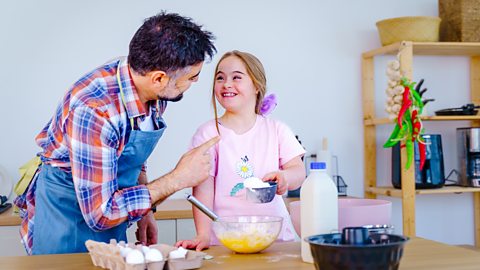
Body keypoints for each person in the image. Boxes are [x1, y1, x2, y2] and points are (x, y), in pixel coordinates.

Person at [13, 12, 219, 255]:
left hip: (111, 210)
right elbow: (101, 214)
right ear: (159, 78)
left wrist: (146, 212)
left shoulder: (149, 86)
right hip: (69, 219)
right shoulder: (94, 111)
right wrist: (178, 179)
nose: (193, 83)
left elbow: (132, 153)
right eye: (191, 77)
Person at [175, 50, 306, 251]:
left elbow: (298, 170)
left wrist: (285, 177)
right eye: (220, 77)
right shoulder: (208, 133)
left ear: (256, 86)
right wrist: (203, 235)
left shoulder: (277, 129)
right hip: (226, 239)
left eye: (236, 77)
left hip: (275, 239)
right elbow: (203, 189)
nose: (226, 83)